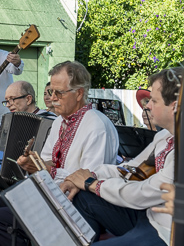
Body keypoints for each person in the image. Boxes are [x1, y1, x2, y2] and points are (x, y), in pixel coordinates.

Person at [0, 61, 119, 246]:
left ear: (79, 93)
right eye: (51, 92)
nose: (52, 98)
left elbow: (86, 180)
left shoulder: (97, 125)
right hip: (52, 195)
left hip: (75, 208)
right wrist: (33, 164)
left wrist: (44, 169)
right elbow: (46, 160)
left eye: (59, 92)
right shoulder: (60, 121)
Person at [61, 67, 184, 246]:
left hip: (166, 233)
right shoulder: (164, 137)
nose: (148, 105)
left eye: (154, 101)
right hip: (148, 216)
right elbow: (132, 170)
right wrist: (90, 176)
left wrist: (91, 184)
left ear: (174, 107)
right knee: (83, 197)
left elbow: (142, 193)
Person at [0, 80, 56, 157]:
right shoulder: (9, 122)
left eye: (12, 99)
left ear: (28, 99)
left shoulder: (49, 120)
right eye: (6, 101)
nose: (8, 105)